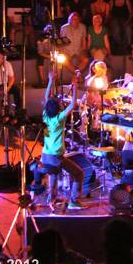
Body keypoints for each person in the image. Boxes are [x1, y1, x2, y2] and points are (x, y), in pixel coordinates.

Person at [41, 70, 84, 210]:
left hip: (45, 155)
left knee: (53, 177)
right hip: (56, 156)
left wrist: (50, 80)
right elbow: (72, 105)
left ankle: (51, 201)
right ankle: (73, 201)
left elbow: (46, 97)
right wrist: (75, 86)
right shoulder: (59, 119)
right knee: (78, 173)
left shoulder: (45, 116)